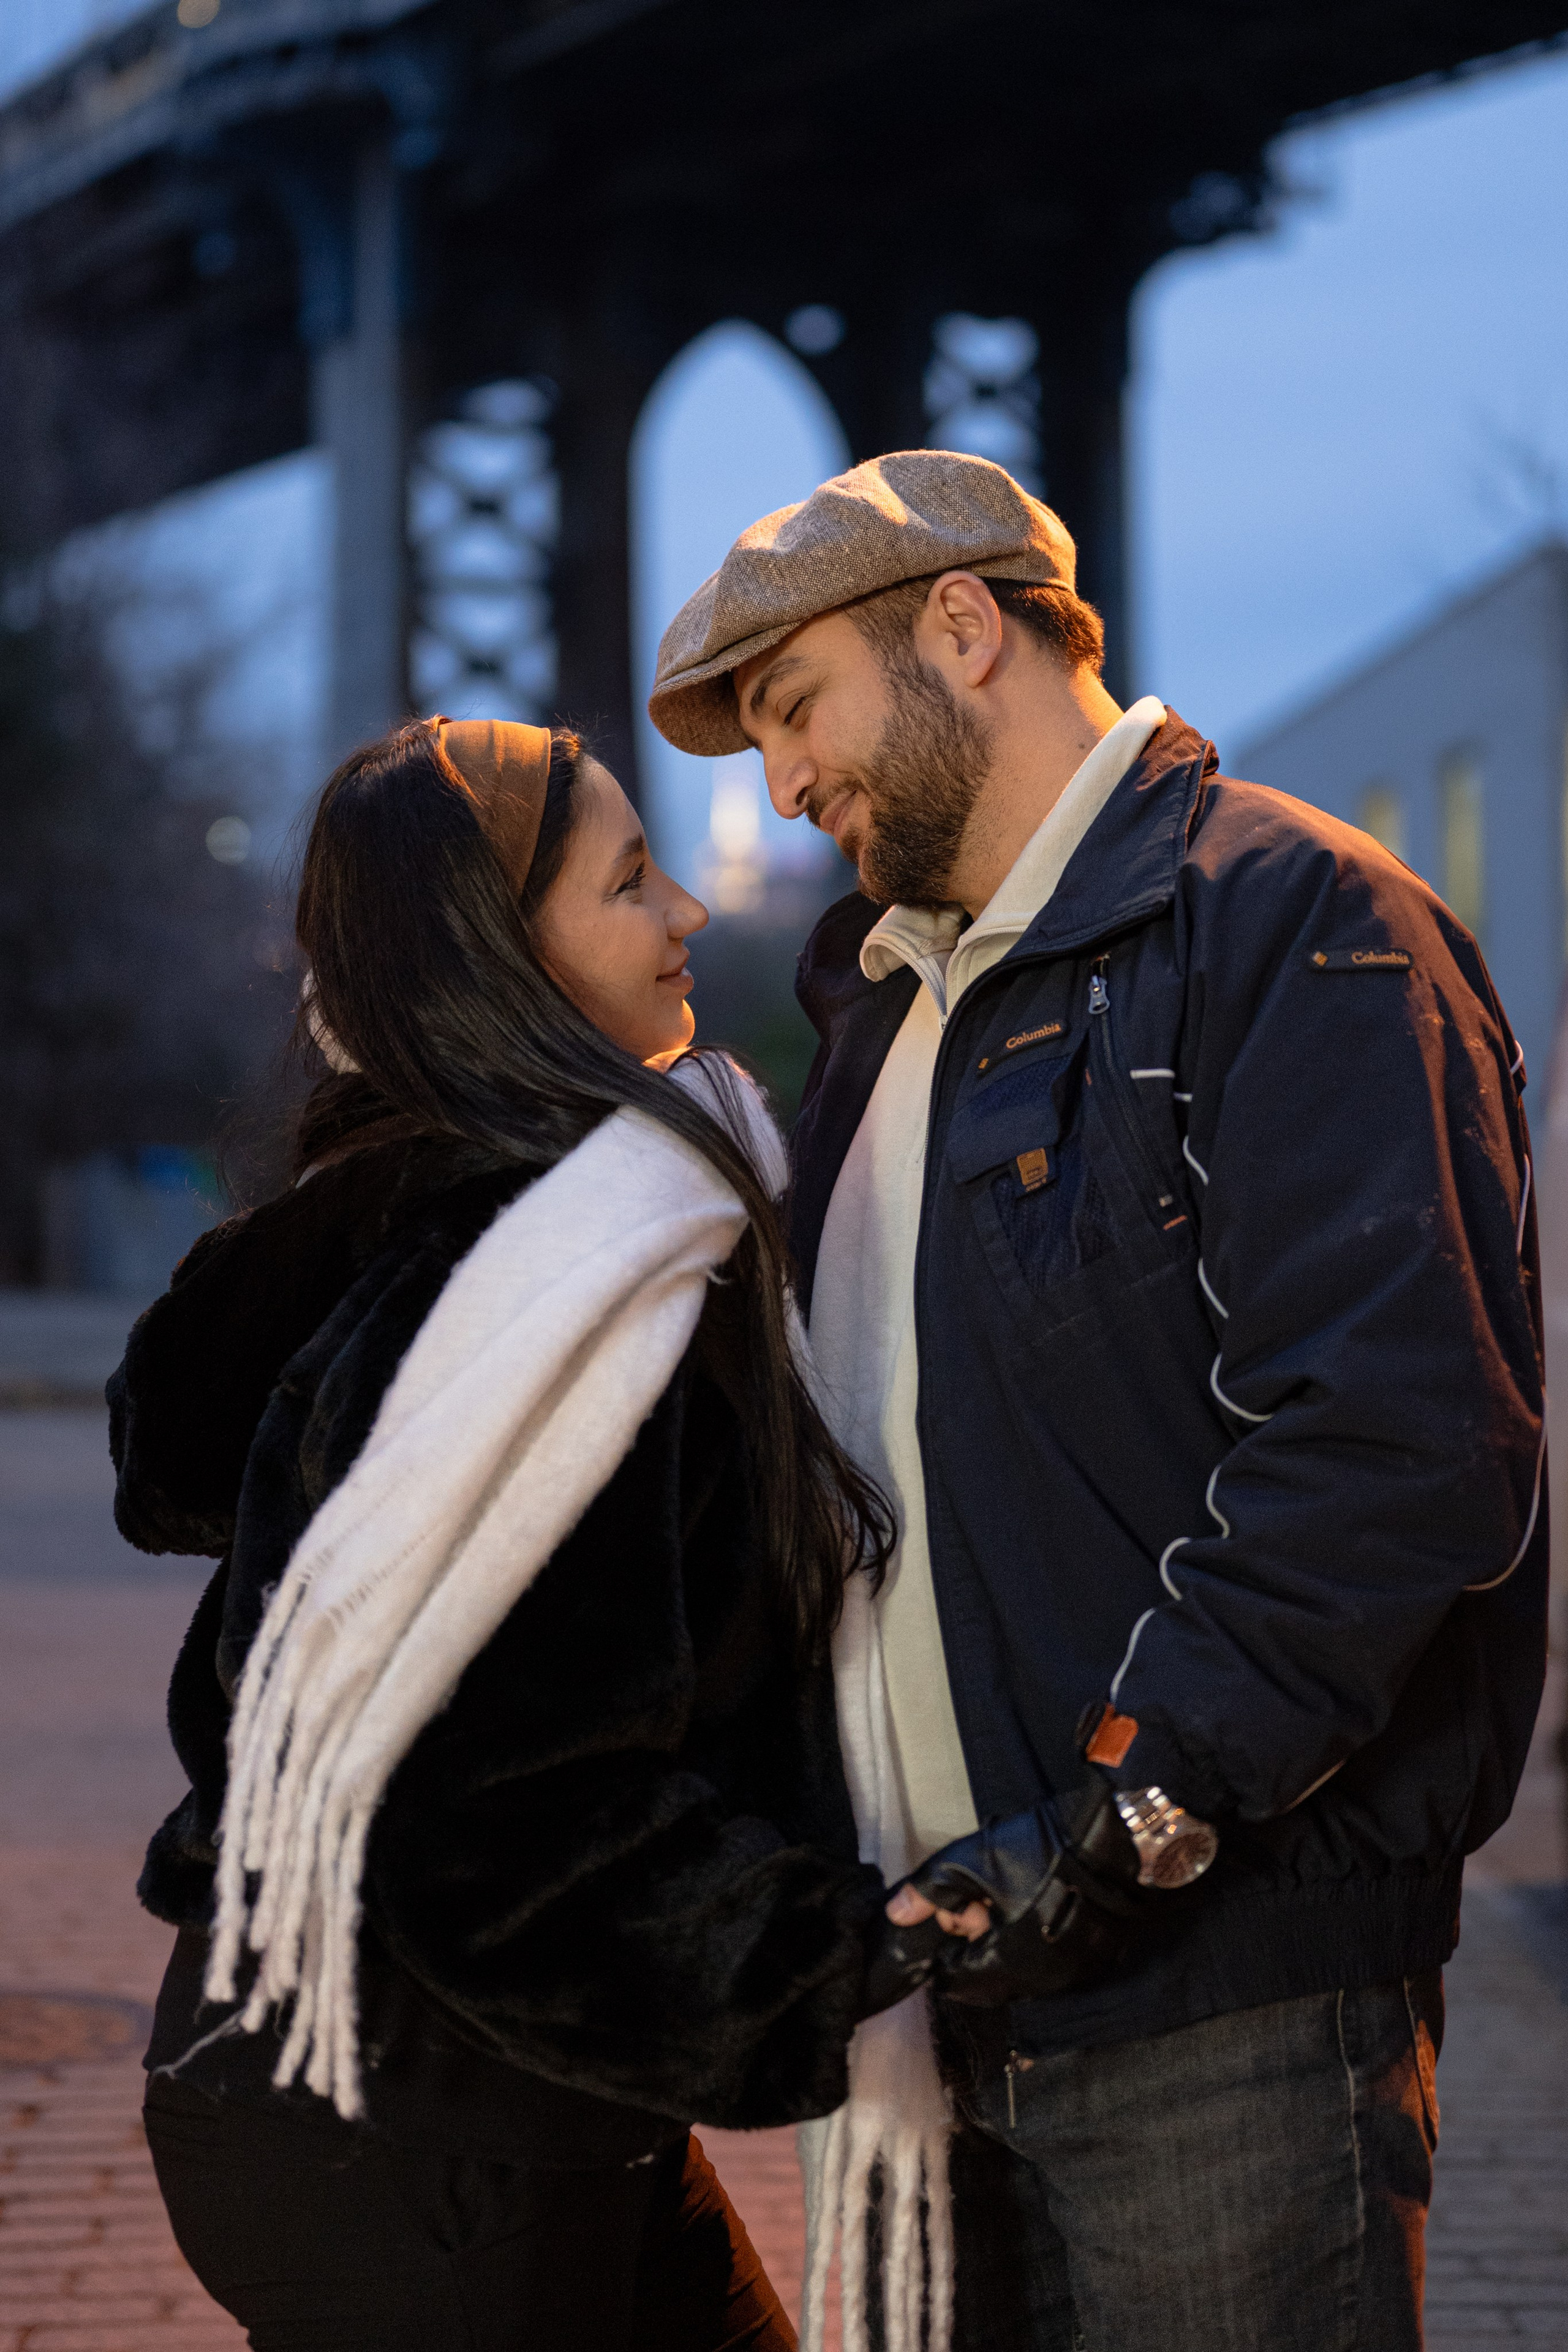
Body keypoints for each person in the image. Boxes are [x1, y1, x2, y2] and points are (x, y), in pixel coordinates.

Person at [648, 450, 1548, 2351]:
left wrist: (1123, 1827)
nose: (782, 787)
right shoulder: (894, 1008)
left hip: (1219, 1992)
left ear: (962, 629)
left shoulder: (1292, 923)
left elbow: (1398, 1451)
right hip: (946, 1988)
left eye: (794, 710)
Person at [113, 715, 910, 2351]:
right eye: (630, 883)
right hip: (414, 2125)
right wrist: (843, 1953)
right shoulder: (556, 1287)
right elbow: (480, 1799)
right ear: (500, 958)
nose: (689, 914)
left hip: (435, 2092)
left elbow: (204, 1431)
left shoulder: (467, 1218)